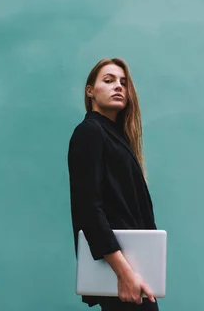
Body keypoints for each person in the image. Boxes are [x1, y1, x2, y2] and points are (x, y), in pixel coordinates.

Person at [67, 58, 160, 310]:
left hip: (132, 270)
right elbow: (89, 209)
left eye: (123, 82)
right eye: (108, 81)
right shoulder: (91, 131)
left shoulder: (116, 137)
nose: (118, 86)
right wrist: (124, 273)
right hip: (121, 270)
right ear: (90, 91)